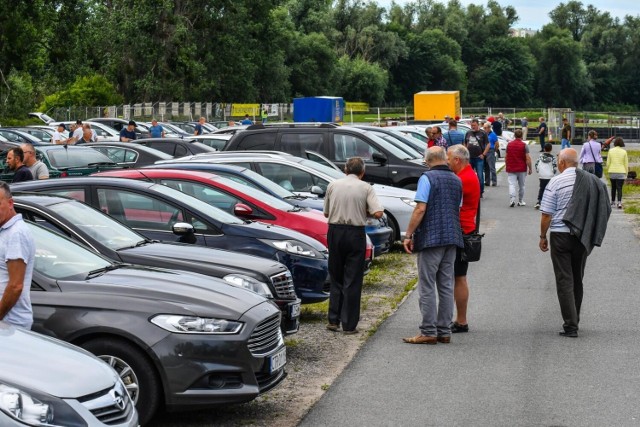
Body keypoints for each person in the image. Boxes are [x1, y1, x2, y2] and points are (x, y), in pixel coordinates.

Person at [539, 148, 611, 338]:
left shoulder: (556, 181)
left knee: (564, 279)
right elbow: (604, 206)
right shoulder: (593, 181)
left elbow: (546, 214)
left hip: (560, 236)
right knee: (577, 278)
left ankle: (570, 325)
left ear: (562, 163)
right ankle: (575, 318)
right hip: (582, 236)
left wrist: (542, 236)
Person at [402, 146, 463, 345]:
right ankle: (444, 330)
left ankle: (428, 330)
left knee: (427, 285)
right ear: (445, 159)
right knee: (446, 285)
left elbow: (420, 208)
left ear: (427, 160)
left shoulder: (427, 178)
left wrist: (408, 234)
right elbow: (457, 207)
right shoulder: (456, 179)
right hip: (452, 236)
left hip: (431, 238)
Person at [324, 157, 384, 335]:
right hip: (355, 232)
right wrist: (363, 211)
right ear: (362, 172)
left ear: (345, 169)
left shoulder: (333, 185)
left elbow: (326, 212)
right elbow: (378, 212)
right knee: (353, 278)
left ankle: (333, 319)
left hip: (335, 231)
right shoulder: (366, 187)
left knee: (336, 275)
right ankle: (349, 324)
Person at [447, 145, 480, 334]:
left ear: (457, 160)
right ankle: (458, 318)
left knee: (458, 276)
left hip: (460, 230)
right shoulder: (469, 174)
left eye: (449, 158)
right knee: (457, 276)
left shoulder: (462, 179)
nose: (447, 161)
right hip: (465, 228)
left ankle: (461, 320)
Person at [0, 182, 36, 329]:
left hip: (10, 325)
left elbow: (15, 286)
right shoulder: (6, 231)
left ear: (10, 203)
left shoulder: (16, 233)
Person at [505, 128, 532, 207]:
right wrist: (530, 168)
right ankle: (520, 200)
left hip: (511, 167)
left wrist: (507, 164)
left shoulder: (509, 144)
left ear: (514, 135)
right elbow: (528, 158)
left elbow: (506, 157)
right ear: (521, 135)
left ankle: (512, 199)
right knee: (521, 185)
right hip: (522, 168)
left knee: (512, 184)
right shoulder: (524, 145)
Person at [464, 118, 490, 196]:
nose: (473, 127)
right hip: (470, 157)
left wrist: (483, 154)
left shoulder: (483, 133)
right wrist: (465, 153)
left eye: (474, 125)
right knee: (469, 176)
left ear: (478, 125)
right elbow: (465, 143)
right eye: (472, 125)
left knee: (480, 176)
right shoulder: (468, 133)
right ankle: (471, 191)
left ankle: (480, 191)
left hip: (479, 158)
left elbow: (488, 144)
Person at [606, 137, 629, 209]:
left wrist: (608, 170)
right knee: (619, 188)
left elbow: (608, 162)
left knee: (613, 187)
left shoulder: (610, 151)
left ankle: (612, 202)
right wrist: (626, 174)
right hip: (621, 172)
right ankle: (619, 202)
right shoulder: (624, 152)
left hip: (612, 171)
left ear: (615, 143)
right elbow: (626, 164)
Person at [534, 143, 557, 209]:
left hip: (542, 175)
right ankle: (549, 202)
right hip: (550, 175)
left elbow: (536, 164)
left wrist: (538, 171)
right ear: (551, 149)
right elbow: (554, 166)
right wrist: (554, 173)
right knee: (550, 189)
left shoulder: (540, 157)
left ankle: (539, 201)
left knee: (542, 188)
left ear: (544, 149)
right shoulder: (553, 158)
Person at [482, 122, 498, 187]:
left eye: (485, 128)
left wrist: (494, 150)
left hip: (490, 150)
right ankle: (487, 181)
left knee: (492, 167)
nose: (484, 129)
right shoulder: (484, 134)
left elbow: (497, 144)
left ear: (489, 128)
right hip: (484, 151)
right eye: (484, 128)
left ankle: (494, 181)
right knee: (486, 167)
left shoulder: (493, 134)